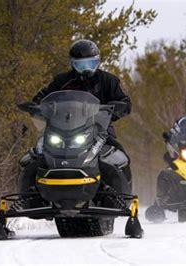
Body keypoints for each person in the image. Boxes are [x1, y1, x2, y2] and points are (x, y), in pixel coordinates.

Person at [15, 39, 132, 209]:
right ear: (72, 64)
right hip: (61, 131)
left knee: (118, 155)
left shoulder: (108, 81)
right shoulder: (61, 81)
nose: (86, 69)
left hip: (99, 132)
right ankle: (31, 197)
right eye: (81, 64)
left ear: (98, 62)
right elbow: (43, 97)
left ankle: (119, 198)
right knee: (34, 157)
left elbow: (124, 101)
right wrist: (36, 106)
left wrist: (118, 108)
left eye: (91, 63)